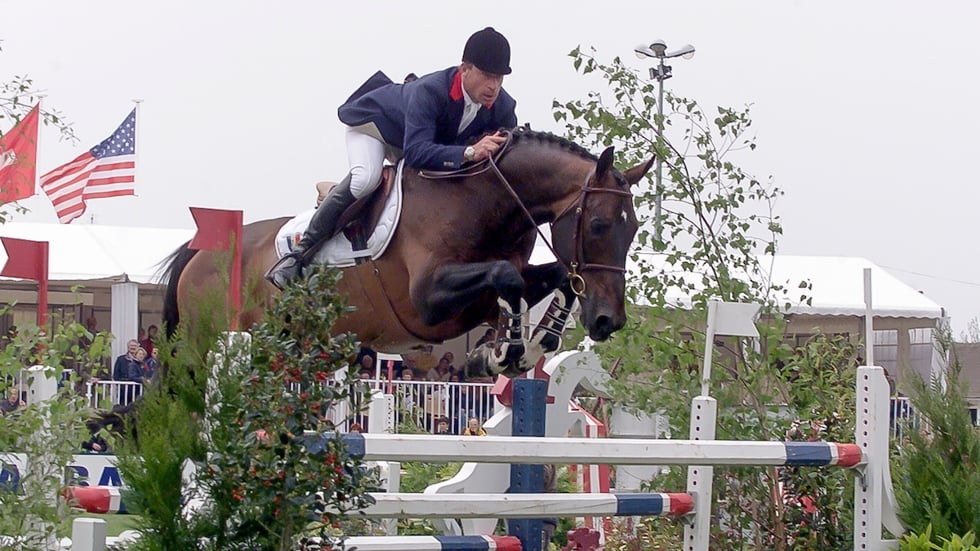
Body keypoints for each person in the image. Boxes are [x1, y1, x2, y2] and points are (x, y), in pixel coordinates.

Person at [266, 26, 518, 289]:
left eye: (499, 78)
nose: (493, 86)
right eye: (487, 76)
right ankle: (298, 255)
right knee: (366, 179)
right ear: (464, 69)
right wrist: (469, 152)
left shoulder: (504, 107)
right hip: (376, 127)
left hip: (416, 138)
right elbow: (417, 152)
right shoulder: (430, 91)